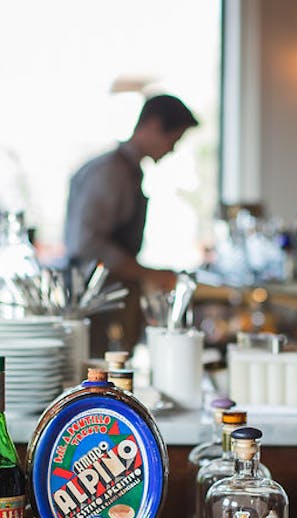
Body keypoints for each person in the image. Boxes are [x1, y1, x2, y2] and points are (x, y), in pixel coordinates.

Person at [65, 94, 199, 350]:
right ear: (153, 126)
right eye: (174, 139)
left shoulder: (127, 171)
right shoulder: (110, 172)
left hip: (110, 299)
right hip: (97, 303)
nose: (173, 148)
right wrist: (148, 273)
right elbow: (86, 244)